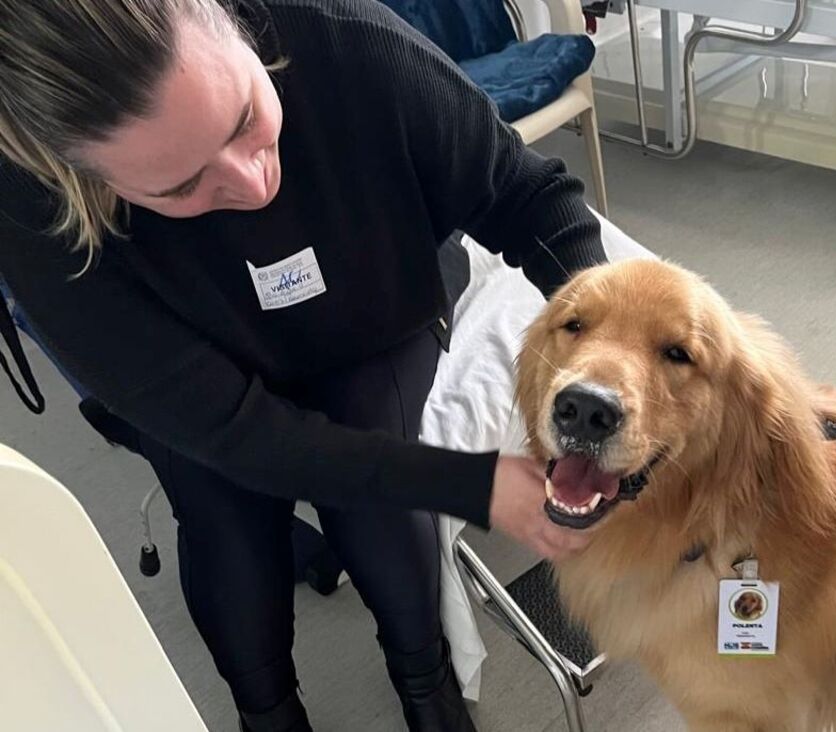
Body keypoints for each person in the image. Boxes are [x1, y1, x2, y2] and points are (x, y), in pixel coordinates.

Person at [0, 1, 606, 730]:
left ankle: (428, 684)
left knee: (374, 497)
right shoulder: (26, 204)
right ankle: (268, 714)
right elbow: (238, 434)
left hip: (374, 307)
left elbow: (530, 197)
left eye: (244, 117)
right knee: (222, 515)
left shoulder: (347, 38)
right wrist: (473, 484)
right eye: (179, 188)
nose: (256, 186)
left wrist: (612, 358)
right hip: (194, 355)